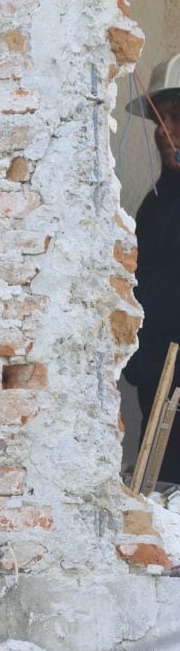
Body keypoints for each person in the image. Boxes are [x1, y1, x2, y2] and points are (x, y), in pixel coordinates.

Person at [126, 54, 180, 483]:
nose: (165, 132)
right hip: (155, 386)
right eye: (160, 120)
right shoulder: (157, 201)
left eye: (177, 117)